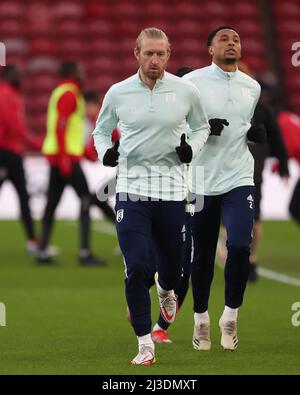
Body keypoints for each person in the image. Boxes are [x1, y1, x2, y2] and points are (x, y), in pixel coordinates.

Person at [93, 27, 211, 365]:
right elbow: (101, 130)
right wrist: (106, 152)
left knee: (173, 272)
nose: (155, 60)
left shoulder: (186, 91)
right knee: (137, 267)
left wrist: (193, 148)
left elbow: (201, 127)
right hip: (132, 192)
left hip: (173, 192)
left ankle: (166, 291)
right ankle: (145, 343)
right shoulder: (118, 92)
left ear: (169, 54)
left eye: (161, 54)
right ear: (136, 54)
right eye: (149, 53)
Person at [183, 25, 261, 351]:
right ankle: (201, 319)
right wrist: (201, 130)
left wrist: (254, 133)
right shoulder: (191, 83)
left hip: (238, 177)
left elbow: (245, 126)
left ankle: (230, 314)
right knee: (201, 257)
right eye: (224, 39)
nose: (232, 43)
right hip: (200, 181)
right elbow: (177, 128)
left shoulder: (252, 87)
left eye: (237, 39)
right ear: (210, 49)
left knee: (241, 246)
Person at [36, 61, 105, 266]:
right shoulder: (70, 94)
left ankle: (41, 251)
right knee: (86, 200)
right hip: (66, 158)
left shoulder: (62, 92)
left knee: (52, 204)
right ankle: (84, 253)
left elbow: (63, 127)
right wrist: (66, 157)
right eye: (79, 70)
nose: (83, 72)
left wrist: (78, 153)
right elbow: (61, 126)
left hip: (59, 156)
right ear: (72, 73)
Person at [0, 65, 41, 252]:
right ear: (9, 76)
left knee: (24, 197)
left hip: (12, 154)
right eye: (17, 75)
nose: (21, 78)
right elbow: (14, 125)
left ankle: (33, 240)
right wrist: (37, 144)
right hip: (6, 153)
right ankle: (32, 240)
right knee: (23, 197)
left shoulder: (11, 94)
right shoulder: (6, 94)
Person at [276, 110, 300, 224]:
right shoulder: (290, 118)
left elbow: (293, 146)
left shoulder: (283, 121)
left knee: (294, 208)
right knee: (294, 208)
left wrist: (279, 164)